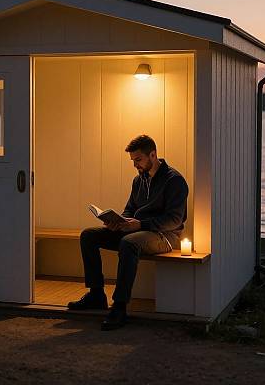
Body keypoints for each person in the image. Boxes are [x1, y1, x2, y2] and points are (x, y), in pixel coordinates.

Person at [68, 134, 189, 330]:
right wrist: (118, 222)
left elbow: (174, 220)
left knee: (129, 243)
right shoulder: (138, 180)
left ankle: (120, 306)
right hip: (138, 231)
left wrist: (139, 225)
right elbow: (130, 210)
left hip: (166, 236)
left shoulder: (174, 180)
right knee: (89, 235)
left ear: (153, 155)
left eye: (138, 160)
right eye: (133, 161)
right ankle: (96, 294)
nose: (135, 165)